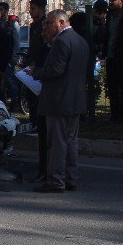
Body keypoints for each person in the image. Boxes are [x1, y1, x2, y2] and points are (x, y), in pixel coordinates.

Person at [32, 10, 88, 192]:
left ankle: (56, 180)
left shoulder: (62, 42)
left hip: (59, 100)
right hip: (75, 99)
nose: (47, 27)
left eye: (50, 23)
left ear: (61, 22)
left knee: (57, 143)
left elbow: (55, 70)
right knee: (71, 141)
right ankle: (70, 178)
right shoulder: (80, 41)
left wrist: (36, 72)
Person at [25, 0, 50, 182]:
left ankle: (48, 170)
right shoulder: (34, 26)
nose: (30, 12)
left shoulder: (45, 26)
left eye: (33, 8)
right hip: (33, 72)